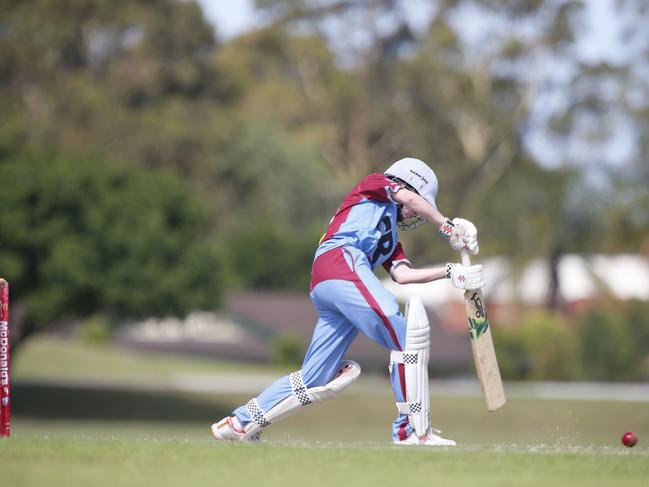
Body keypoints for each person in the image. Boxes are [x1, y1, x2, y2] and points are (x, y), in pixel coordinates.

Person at [211, 157, 485, 446]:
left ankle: (238, 424)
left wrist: (451, 271)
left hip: (331, 281)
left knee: (315, 377)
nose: (415, 211)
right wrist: (448, 226)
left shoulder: (391, 238)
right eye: (419, 198)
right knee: (407, 338)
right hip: (342, 260)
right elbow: (408, 198)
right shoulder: (374, 184)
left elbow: (402, 275)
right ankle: (412, 432)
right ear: (408, 185)